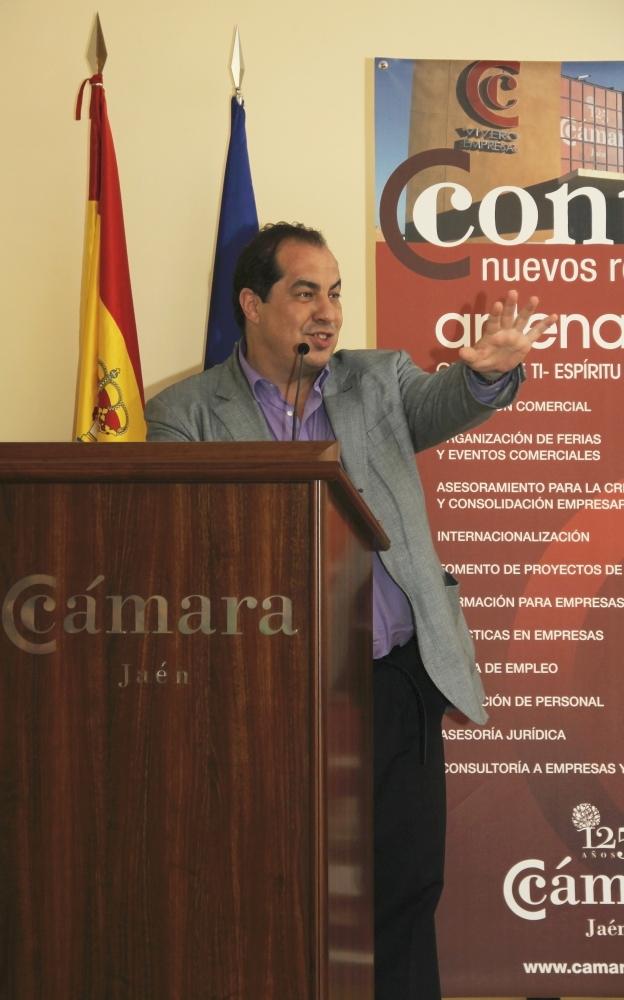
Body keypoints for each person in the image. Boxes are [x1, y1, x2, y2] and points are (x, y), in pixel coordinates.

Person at [145, 222, 555, 1000]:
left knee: (402, 893)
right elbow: (178, 552)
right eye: (305, 293)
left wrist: (487, 375)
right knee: (269, 897)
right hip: (263, 697)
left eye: (334, 292)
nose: (327, 311)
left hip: (391, 685)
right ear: (252, 305)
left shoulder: (379, 381)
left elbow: (446, 401)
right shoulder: (185, 413)